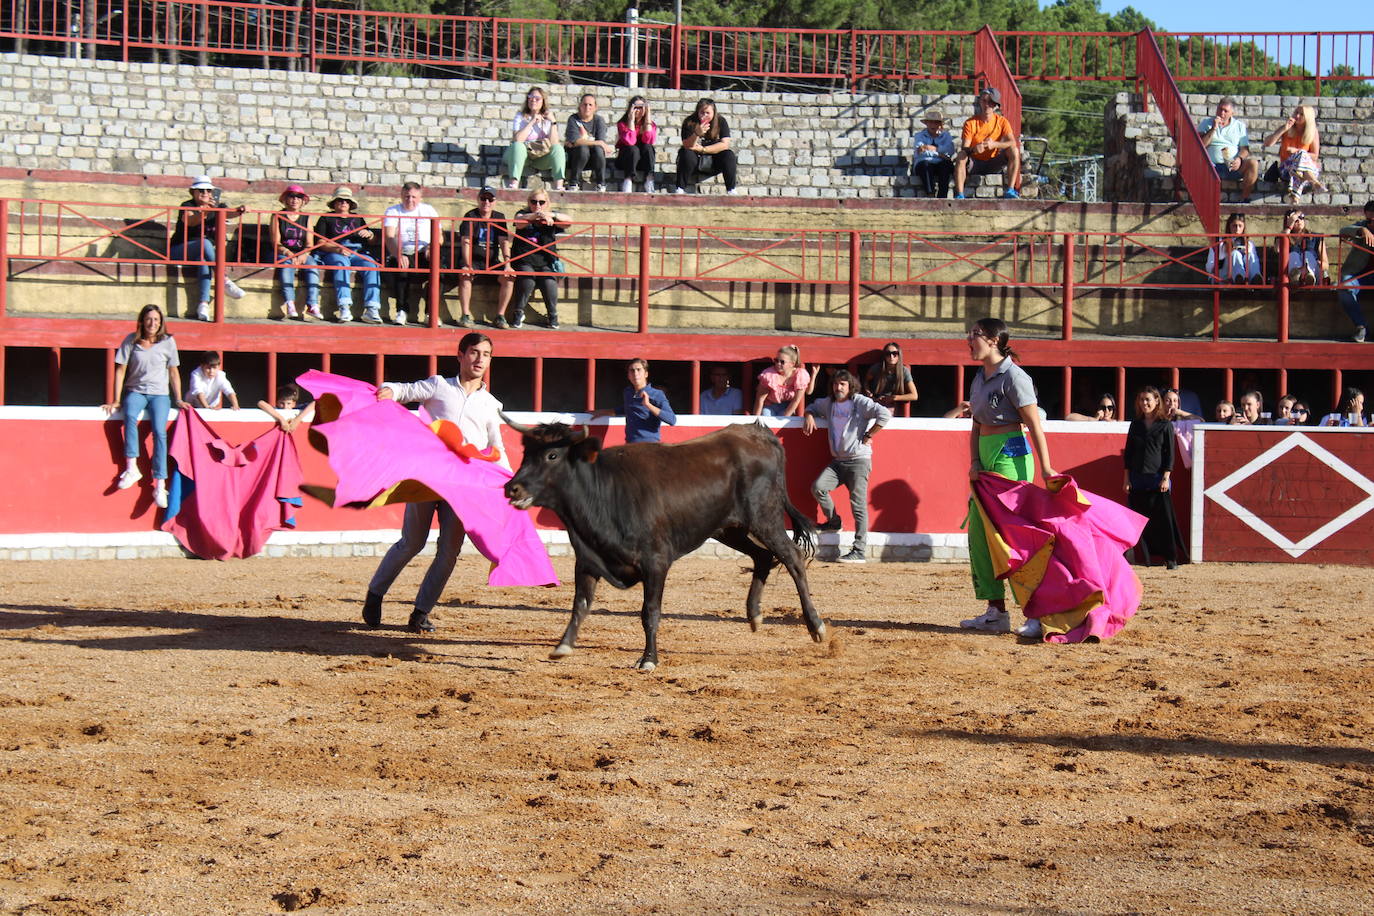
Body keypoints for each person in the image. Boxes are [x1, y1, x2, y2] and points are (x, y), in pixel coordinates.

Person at [362, 332, 508, 634]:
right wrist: (387, 390)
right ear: (461, 355)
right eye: (474, 353)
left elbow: (497, 448)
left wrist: (508, 482)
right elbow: (403, 390)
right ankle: (375, 594)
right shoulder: (439, 385)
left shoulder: (492, 404)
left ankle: (420, 612)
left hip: (464, 487)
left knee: (449, 551)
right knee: (411, 542)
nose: (480, 359)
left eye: (486, 354)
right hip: (428, 476)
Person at [958, 318, 1057, 638]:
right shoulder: (979, 377)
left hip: (1012, 455)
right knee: (979, 532)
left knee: (1012, 535)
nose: (969, 341)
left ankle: (1037, 612)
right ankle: (996, 611)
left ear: (993, 340)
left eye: (974, 336)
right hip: (986, 455)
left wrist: (1046, 468)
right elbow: (975, 423)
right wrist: (974, 460)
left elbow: (1034, 426)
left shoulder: (1015, 377)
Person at [803, 369, 892, 565]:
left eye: (842, 384)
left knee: (858, 505)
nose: (838, 387)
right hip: (838, 461)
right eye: (836, 384)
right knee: (818, 487)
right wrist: (809, 415)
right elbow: (812, 406)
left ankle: (859, 550)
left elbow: (884, 414)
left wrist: (869, 435)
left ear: (850, 386)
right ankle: (834, 521)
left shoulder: (859, 402)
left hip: (859, 460)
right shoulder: (829, 403)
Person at [101, 305, 183, 509]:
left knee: (159, 433)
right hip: (135, 391)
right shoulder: (131, 340)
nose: (152, 323)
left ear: (161, 322)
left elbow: (174, 372)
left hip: (159, 394)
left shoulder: (168, 341)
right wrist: (115, 399)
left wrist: (179, 398)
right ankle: (132, 467)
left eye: (156, 319)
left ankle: (160, 483)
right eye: (149, 319)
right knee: (128, 415)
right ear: (142, 321)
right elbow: (120, 370)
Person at [168, 175, 245, 321]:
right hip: (179, 249)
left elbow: (230, 213)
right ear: (193, 192)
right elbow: (190, 220)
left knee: (205, 261)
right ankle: (224, 279)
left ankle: (203, 304)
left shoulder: (218, 207)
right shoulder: (188, 205)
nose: (205, 193)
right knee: (205, 243)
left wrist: (240, 209)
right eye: (201, 190)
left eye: (208, 191)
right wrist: (205, 211)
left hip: (202, 253)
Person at [1123, 386, 1183, 570]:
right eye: (1142, 400)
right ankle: (1141, 557)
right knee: (1137, 520)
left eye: (1148, 399)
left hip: (1157, 478)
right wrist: (1126, 479)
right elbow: (1129, 454)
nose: (1145, 403)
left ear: (1157, 401)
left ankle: (1171, 558)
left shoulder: (1165, 425)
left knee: (1163, 520)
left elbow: (1169, 455)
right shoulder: (1136, 424)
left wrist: (1166, 477)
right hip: (1138, 477)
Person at [499, 190, 570, 329]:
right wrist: (536, 216)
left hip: (545, 261)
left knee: (549, 282)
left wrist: (551, 215)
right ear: (529, 202)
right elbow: (518, 222)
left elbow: (569, 221)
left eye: (541, 202)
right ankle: (518, 312)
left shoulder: (552, 216)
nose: (537, 205)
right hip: (523, 259)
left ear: (547, 203)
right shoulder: (523, 213)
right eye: (534, 202)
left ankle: (552, 315)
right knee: (527, 279)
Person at [314, 185, 381, 324]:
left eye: (346, 201)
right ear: (334, 203)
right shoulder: (326, 218)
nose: (344, 203)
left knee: (371, 265)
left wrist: (370, 235)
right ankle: (344, 307)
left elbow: (373, 241)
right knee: (341, 264)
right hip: (335, 252)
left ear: (350, 204)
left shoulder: (357, 218)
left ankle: (372, 308)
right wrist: (337, 249)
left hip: (356, 252)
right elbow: (320, 241)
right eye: (340, 200)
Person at [456, 186, 515, 328]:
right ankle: (465, 315)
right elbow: (466, 242)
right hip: (474, 260)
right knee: (465, 275)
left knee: (509, 278)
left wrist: (507, 265)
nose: (486, 202)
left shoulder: (499, 217)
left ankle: (500, 316)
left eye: (490, 199)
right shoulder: (470, 216)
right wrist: (467, 264)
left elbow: (504, 242)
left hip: (492, 261)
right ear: (478, 199)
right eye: (483, 198)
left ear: (495, 201)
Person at [383, 181, 440, 326]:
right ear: (402, 196)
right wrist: (398, 254)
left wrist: (431, 247)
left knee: (440, 271)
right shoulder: (393, 211)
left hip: (425, 251)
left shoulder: (429, 210)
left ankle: (431, 312)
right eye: (407, 196)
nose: (410, 200)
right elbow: (389, 237)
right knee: (401, 268)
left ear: (420, 197)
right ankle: (401, 310)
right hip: (403, 251)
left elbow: (439, 237)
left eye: (414, 197)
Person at [953, 87, 1021, 200]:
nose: (986, 105)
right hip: (974, 163)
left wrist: (995, 145)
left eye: (990, 102)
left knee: (1014, 150)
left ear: (995, 105)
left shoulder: (1002, 121)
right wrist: (975, 149)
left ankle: (1010, 190)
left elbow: (1012, 142)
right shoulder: (970, 123)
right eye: (984, 101)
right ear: (980, 102)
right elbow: (965, 148)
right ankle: (960, 194)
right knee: (961, 155)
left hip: (993, 162)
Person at [594, 358, 677, 443]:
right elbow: (628, 409)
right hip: (630, 444)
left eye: (638, 370)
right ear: (628, 375)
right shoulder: (628, 392)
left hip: (649, 444)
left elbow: (672, 420)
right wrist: (603, 412)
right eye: (632, 370)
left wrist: (648, 405)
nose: (635, 373)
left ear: (646, 374)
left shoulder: (657, 394)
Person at [271, 184, 322, 321]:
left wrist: (304, 254)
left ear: (302, 201)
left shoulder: (306, 218)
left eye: (298, 197)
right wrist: (289, 253)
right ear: (285, 199)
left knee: (313, 266)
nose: (295, 200)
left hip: (303, 252)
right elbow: (276, 243)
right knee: (286, 265)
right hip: (284, 252)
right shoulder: (278, 216)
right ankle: (290, 303)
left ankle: (312, 304)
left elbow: (310, 244)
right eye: (291, 196)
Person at [503, 85, 565, 191]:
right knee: (518, 146)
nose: (533, 100)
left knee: (558, 149)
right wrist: (531, 122)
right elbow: (517, 139)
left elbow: (554, 143)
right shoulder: (520, 116)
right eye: (530, 97)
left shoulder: (548, 118)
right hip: (522, 156)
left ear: (543, 101)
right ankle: (513, 184)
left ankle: (559, 185)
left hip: (541, 157)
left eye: (537, 98)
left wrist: (553, 122)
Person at [1198, 96, 1259, 203]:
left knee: (1253, 163)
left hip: (1232, 165)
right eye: (1220, 109)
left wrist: (1239, 159)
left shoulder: (1239, 126)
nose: (1222, 113)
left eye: (1225, 111)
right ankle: (1206, 200)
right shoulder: (1206, 123)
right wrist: (1213, 128)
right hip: (1212, 165)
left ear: (1232, 113)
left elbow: (1245, 149)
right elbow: (1201, 145)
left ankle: (1244, 199)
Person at [674, 98, 739, 195]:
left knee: (729, 155)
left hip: (714, 158)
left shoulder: (721, 121)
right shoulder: (689, 122)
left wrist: (703, 149)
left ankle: (731, 189)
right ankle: (680, 188)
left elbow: (724, 144)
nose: (704, 116)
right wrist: (696, 134)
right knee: (686, 154)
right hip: (694, 159)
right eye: (702, 113)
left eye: (707, 113)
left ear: (713, 112)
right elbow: (687, 145)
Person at [1262, 105, 1324, 204]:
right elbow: (1267, 143)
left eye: (1301, 114)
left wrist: (1296, 151)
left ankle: (1295, 199)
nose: (1297, 116)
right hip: (1287, 169)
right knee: (1301, 158)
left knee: (1301, 157)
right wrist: (1283, 129)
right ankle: (1315, 182)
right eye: (1296, 113)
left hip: (1303, 170)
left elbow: (1315, 156)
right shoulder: (1287, 128)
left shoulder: (1312, 132)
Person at [1337, 199, 1374, 343]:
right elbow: (1343, 231)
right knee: (1345, 286)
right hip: (1359, 274)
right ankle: (1361, 326)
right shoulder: (1362, 226)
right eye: (1370, 217)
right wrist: (1362, 230)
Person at [564, 93, 615, 192]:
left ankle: (601, 183)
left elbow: (601, 142)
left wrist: (596, 143)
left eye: (590, 105)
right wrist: (597, 142)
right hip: (576, 158)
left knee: (598, 150)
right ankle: (574, 183)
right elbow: (575, 142)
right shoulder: (573, 119)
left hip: (594, 158)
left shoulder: (599, 120)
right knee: (583, 149)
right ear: (580, 106)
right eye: (585, 104)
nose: (587, 107)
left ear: (595, 107)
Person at [616, 95, 658, 193]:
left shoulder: (651, 124)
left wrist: (647, 118)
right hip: (626, 160)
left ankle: (649, 179)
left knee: (648, 147)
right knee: (633, 149)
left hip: (642, 161)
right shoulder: (622, 124)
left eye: (641, 108)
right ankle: (628, 180)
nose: (638, 111)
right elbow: (630, 142)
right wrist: (631, 121)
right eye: (636, 108)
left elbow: (649, 140)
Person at [1206, 212, 1262, 284]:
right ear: (1229, 226)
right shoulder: (1220, 241)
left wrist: (1245, 254)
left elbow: (1253, 261)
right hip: (1222, 275)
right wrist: (1225, 254)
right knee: (1235, 253)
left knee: (1251, 255)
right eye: (1234, 226)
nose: (1237, 229)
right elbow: (1209, 268)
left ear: (1243, 227)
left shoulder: (1249, 244)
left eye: (1240, 226)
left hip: (1244, 272)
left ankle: (1255, 277)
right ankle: (1239, 278)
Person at [753, 345, 810, 417]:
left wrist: (784, 418)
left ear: (792, 364)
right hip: (770, 406)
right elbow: (760, 399)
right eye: (776, 360)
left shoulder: (800, 375)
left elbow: (796, 401)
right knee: (766, 422)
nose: (778, 364)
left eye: (782, 362)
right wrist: (755, 420)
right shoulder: (769, 375)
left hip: (789, 406)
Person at [911, 109, 956, 198]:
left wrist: (931, 148)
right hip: (925, 162)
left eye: (936, 123)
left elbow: (950, 151)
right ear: (926, 123)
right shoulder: (919, 136)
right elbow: (921, 152)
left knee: (945, 166)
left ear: (940, 124)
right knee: (925, 165)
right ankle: (930, 194)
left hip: (941, 163)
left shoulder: (946, 136)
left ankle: (942, 196)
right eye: (930, 122)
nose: (933, 125)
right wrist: (940, 153)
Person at [863, 342, 919, 410]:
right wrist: (869, 393)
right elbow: (866, 381)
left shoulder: (904, 371)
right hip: (875, 401)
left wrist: (894, 398)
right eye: (888, 354)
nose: (891, 357)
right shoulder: (876, 368)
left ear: (899, 355)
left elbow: (914, 395)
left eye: (894, 353)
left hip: (892, 404)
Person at [1280, 209, 1328, 287]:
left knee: (1307, 254)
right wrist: (1288, 227)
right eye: (1295, 219)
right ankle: (1296, 278)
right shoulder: (1283, 237)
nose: (1299, 220)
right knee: (1293, 255)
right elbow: (1277, 250)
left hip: (1314, 272)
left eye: (1301, 217)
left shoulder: (1315, 237)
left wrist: (1319, 263)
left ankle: (1309, 276)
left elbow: (1326, 264)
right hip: (1291, 275)